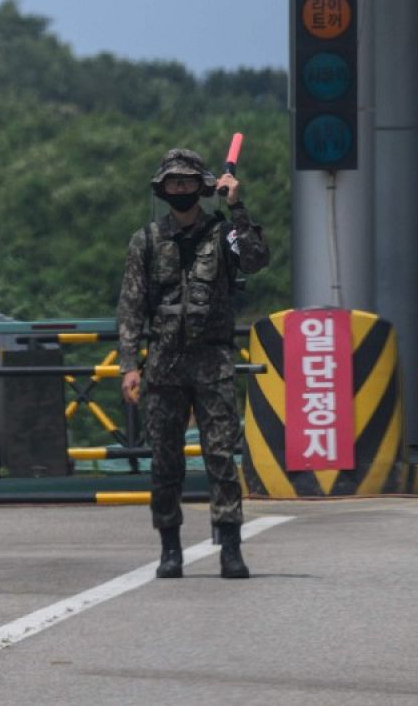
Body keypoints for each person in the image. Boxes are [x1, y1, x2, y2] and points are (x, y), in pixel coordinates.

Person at [118, 147, 269, 579]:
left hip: (212, 361)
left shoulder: (223, 234)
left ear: (202, 188)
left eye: (187, 182)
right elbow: (130, 307)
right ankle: (170, 547)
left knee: (221, 456)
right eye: (173, 183)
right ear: (162, 189)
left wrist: (236, 206)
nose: (180, 189)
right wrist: (130, 364)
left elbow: (257, 259)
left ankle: (230, 546)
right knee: (165, 462)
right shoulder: (146, 241)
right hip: (163, 365)